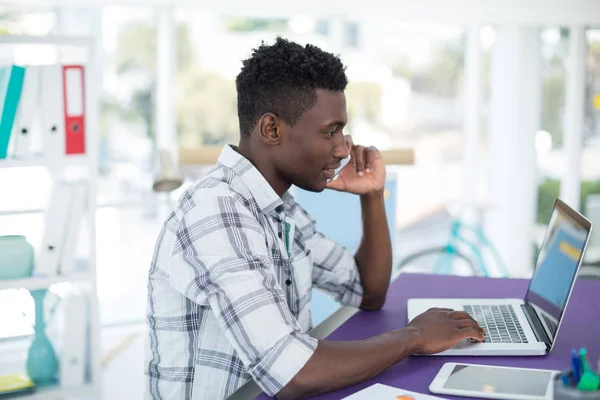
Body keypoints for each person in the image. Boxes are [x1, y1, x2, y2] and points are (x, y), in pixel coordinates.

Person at [144, 37, 485, 400]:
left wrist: (371, 194)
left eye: (342, 130)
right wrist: (414, 337)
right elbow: (292, 373)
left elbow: (366, 291)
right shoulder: (217, 213)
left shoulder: (279, 206)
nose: (343, 148)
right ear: (272, 129)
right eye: (330, 131)